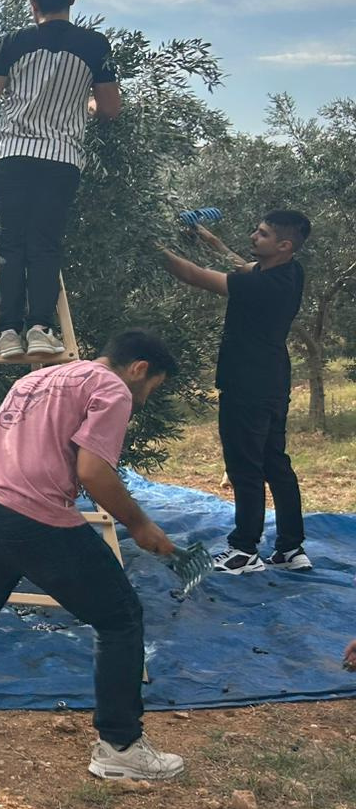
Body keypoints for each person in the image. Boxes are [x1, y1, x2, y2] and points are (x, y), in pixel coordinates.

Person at [0, 329, 185, 781]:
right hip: (30, 513)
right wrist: (139, 524)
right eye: (153, 386)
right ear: (139, 368)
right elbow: (93, 471)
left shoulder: (36, 379)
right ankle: (120, 746)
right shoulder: (111, 388)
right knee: (120, 617)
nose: (146, 398)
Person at [0, 0, 120, 359]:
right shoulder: (94, 45)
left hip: (11, 154)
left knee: (11, 242)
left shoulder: (15, 42)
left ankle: (6, 332)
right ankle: (40, 328)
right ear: (72, 0)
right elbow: (110, 108)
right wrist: (86, 104)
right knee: (45, 243)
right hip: (61, 157)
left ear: (32, 3)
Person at [161, 211, 312, 574]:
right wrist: (211, 240)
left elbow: (192, 275)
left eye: (262, 234)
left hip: (246, 383)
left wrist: (149, 244)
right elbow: (244, 267)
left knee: (244, 466)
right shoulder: (290, 272)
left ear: (284, 245)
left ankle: (244, 550)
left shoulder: (261, 287)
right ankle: (291, 549)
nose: (253, 236)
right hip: (273, 380)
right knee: (275, 463)